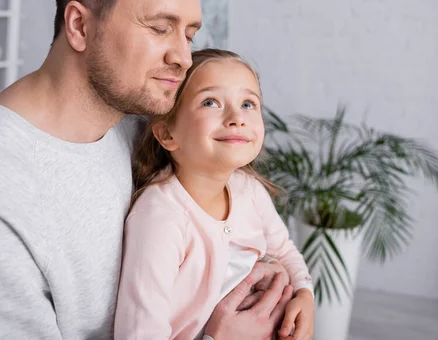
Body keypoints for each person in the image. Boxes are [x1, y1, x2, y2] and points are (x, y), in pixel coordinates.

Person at [0, 0, 291, 339]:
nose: (182, 57)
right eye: (161, 28)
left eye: (189, 34)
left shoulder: (136, 130)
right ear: (79, 25)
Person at [114, 49, 315, 340]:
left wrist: (304, 293)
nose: (237, 118)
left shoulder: (248, 189)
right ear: (168, 133)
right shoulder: (161, 218)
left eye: (248, 103)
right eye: (211, 102)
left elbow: (284, 250)